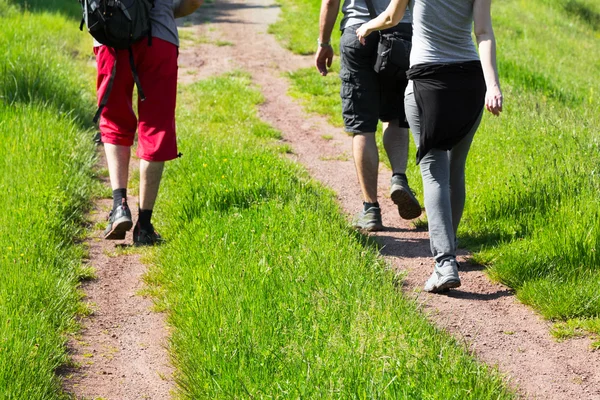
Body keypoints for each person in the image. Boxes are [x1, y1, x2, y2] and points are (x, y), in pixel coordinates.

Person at [357, 0, 503, 292]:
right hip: (470, 84)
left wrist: (367, 26)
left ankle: (445, 263)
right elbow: (484, 32)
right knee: (455, 169)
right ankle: (451, 247)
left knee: (434, 169)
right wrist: (493, 85)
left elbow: (390, 17)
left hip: (428, 81)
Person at [96, 0, 203, 245]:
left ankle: (119, 205)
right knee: (157, 126)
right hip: (159, 36)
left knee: (114, 118)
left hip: (109, 32)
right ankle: (144, 226)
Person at [316, 0, 422, 232]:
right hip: (401, 32)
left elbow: (331, 1)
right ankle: (399, 178)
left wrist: (323, 42)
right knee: (395, 117)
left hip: (359, 33)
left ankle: (371, 209)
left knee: (363, 126)